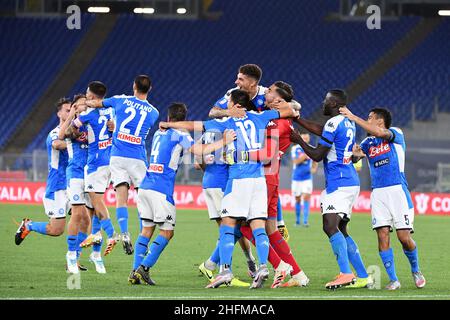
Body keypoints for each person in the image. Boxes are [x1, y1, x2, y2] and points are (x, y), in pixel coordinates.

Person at [160, 89, 299, 289]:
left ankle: (224, 271)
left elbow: (194, 125)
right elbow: (290, 109)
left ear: (236, 106)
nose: (227, 108)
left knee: (227, 223)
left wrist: (169, 124)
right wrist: (279, 103)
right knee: (258, 225)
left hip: (239, 178)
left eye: (229, 105)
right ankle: (262, 267)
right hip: (259, 180)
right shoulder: (260, 117)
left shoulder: (227, 123)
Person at [128, 103, 237, 285]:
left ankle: (134, 272)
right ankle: (144, 268)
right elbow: (198, 151)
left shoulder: (158, 133)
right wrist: (224, 141)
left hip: (145, 186)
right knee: (167, 233)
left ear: (169, 118)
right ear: (184, 120)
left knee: (146, 230)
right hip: (161, 190)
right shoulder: (180, 134)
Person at [290, 89, 370, 289]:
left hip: (339, 183)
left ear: (334, 104)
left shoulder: (334, 122)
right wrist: (298, 120)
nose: (323, 104)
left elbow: (317, 155)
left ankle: (345, 273)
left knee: (330, 226)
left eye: (325, 101)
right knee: (341, 229)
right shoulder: (346, 122)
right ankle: (361, 275)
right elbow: (321, 130)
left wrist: (298, 139)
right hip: (349, 180)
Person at [340, 106, 426, 290]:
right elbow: (355, 157)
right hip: (378, 193)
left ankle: (416, 269)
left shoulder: (395, 133)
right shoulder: (368, 143)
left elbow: (380, 132)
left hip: (397, 191)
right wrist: (353, 152)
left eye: (369, 117)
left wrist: (354, 117)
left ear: (379, 121)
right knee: (382, 235)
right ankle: (394, 279)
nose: (367, 119)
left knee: (404, 238)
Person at [85, 75, 160, 255]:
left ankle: (125, 233)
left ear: (133, 86)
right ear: (149, 89)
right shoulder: (154, 112)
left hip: (117, 156)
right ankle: (143, 238)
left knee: (121, 198)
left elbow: (97, 104)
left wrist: (83, 105)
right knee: (144, 201)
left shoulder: (120, 100)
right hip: (138, 158)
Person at [15, 98, 71, 245]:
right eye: (67, 110)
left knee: (85, 216)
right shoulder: (55, 133)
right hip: (58, 185)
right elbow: (57, 144)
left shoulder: (76, 132)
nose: (71, 112)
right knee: (56, 230)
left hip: (74, 183)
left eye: (72, 109)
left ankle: (75, 257)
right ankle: (28, 226)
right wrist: (74, 145)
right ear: (59, 114)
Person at [73, 81, 118, 256]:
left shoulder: (87, 115)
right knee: (92, 205)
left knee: (96, 201)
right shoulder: (111, 110)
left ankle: (112, 235)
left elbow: (72, 128)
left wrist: (74, 113)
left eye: (87, 93)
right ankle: (94, 235)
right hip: (110, 161)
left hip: (95, 162)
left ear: (91, 96)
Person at [291, 133, 318, 227]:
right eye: (304, 137)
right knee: (297, 199)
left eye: (307, 137)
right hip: (296, 178)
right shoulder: (295, 148)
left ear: (309, 138)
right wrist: (305, 155)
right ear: (300, 137)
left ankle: (305, 221)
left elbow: (316, 159)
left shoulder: (312, 148)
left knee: (306, 197)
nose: (305, 139)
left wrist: (314, 168)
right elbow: (295, 161)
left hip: (307, 178)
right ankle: (298, 221)